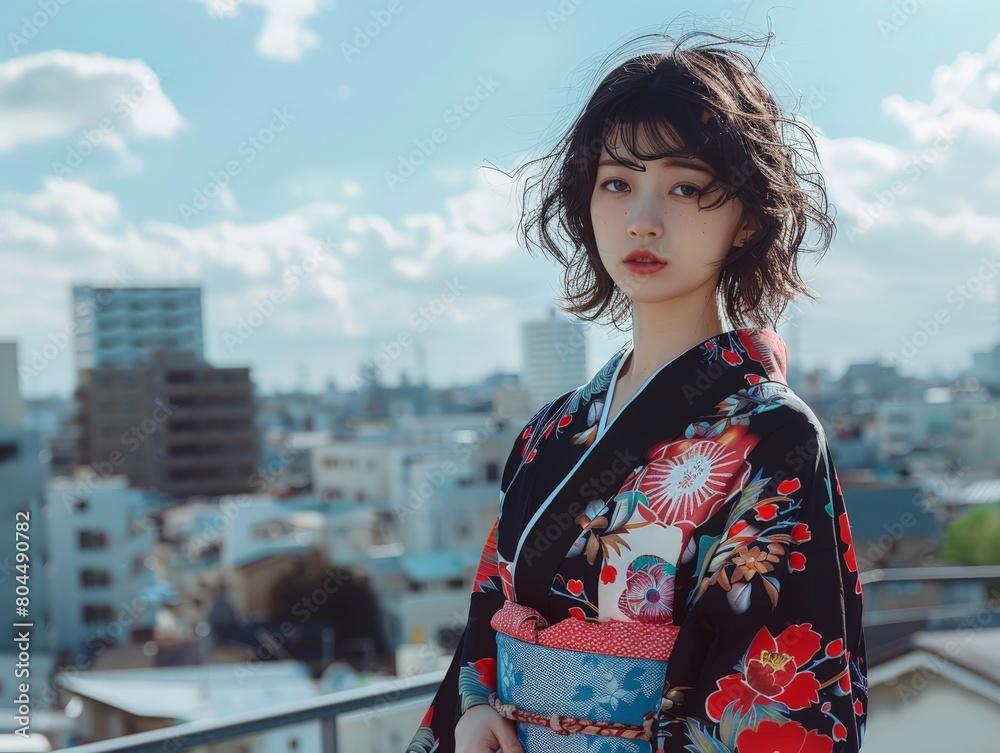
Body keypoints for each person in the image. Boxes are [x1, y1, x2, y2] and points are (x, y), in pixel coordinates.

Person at [406, 28, 867, 753]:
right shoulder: (549, 433)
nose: (642, 218)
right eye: (616, 183)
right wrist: (473, 709)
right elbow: (490, 615)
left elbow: (777, 684)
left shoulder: (772, 435)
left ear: (746, 217)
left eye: (684, 187)